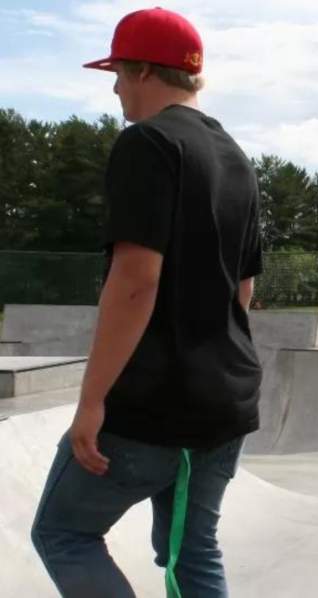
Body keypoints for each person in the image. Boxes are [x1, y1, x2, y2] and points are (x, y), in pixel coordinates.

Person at [31, 8, 263, 598]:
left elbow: (137, 279)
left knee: (63, 533)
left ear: (140, 71)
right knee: (191, 550)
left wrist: (91, 402)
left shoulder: (147, 144)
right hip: (225, 403)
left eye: (116, 72)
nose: (112, 87)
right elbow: (244, 290)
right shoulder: (236, 157)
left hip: (150, 409)